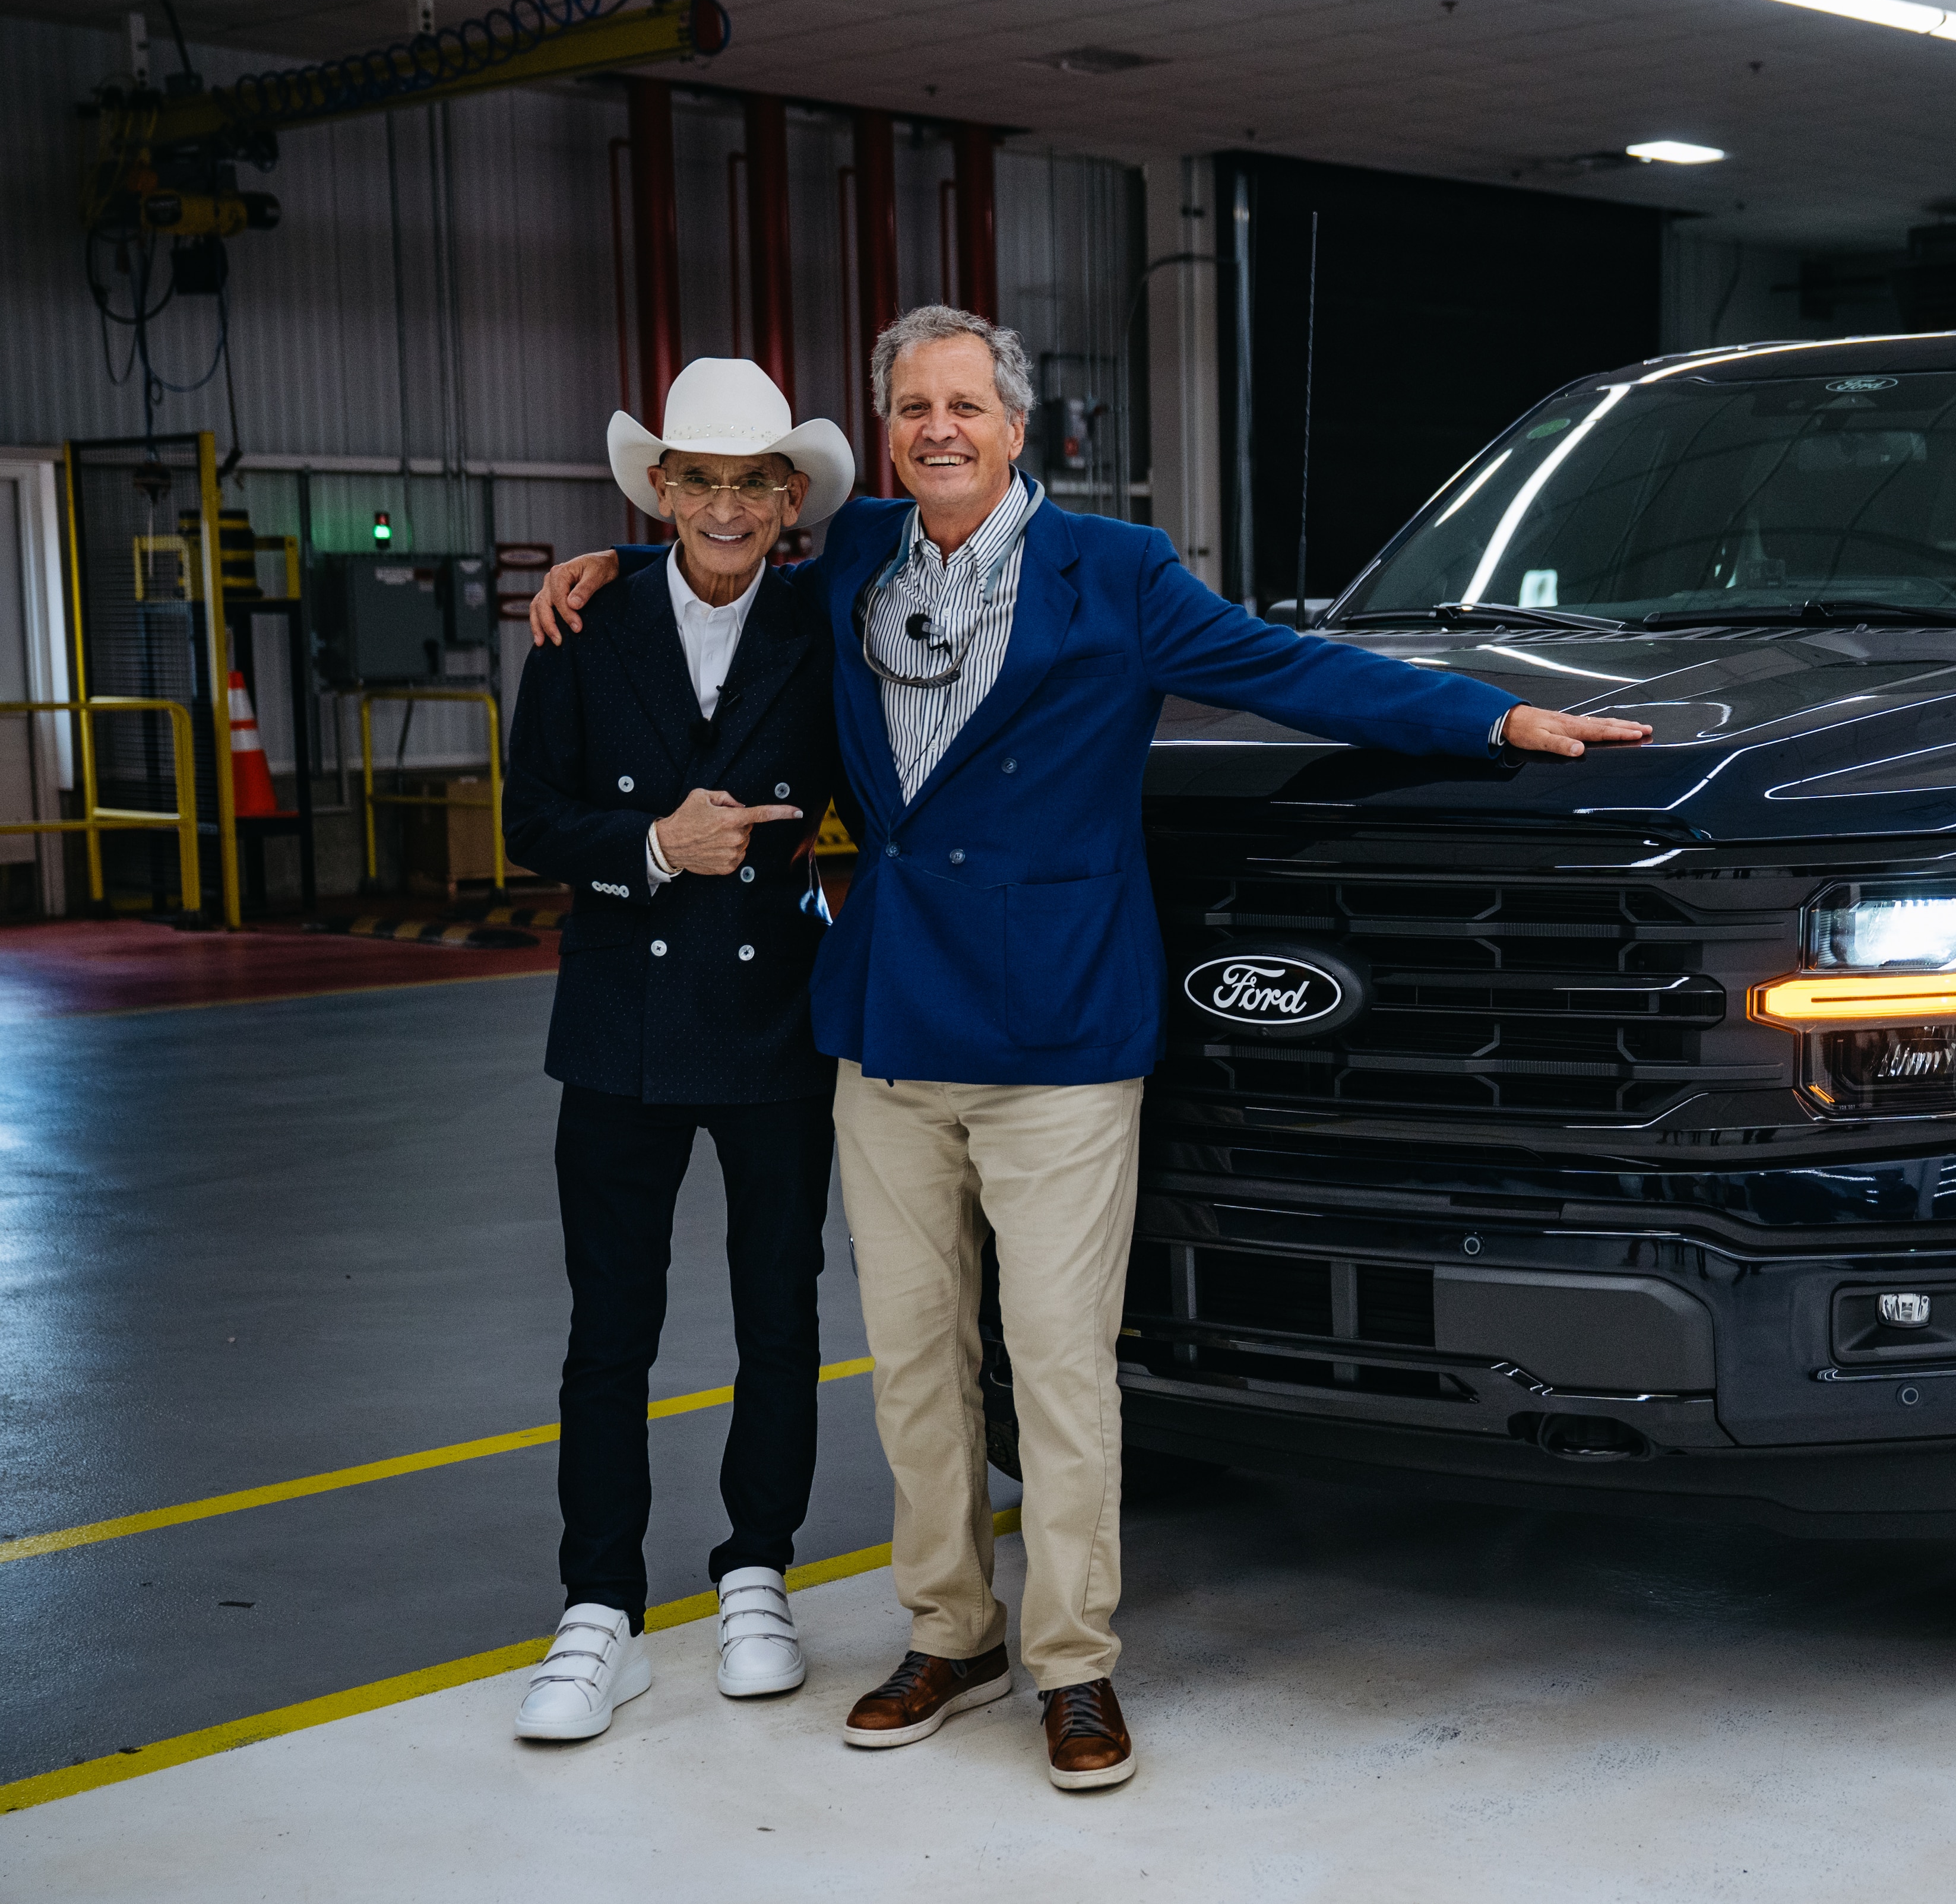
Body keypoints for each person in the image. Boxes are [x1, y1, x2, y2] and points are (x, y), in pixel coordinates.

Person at [531, 305, 1648, 1789]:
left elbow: (1291, 668)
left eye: (965, 406)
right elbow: (712, 559)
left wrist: (1491, 714)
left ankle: (1072, 1662)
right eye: (913, 406)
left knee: (1058, 1366)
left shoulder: (1115, 572)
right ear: (883, 434)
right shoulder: (851, 552)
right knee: (918, 1365)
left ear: (1017, 424)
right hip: (886, 1026)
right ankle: (949, 1630)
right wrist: (599, 568)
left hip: (1059, 1030)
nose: (939, 429)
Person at [502, 358, 853, 1743]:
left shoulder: (832, 619)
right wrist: (652, 846)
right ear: (660, 490)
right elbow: (535, 821)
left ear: (789, 498)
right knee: (610, 1327)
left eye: (748, 483)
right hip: (618, 1023)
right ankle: (599, 1606)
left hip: (776, 1017)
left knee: (780, 1314)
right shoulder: (587, 623)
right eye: (696, 480)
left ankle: (755, 1571)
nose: (722, 506)